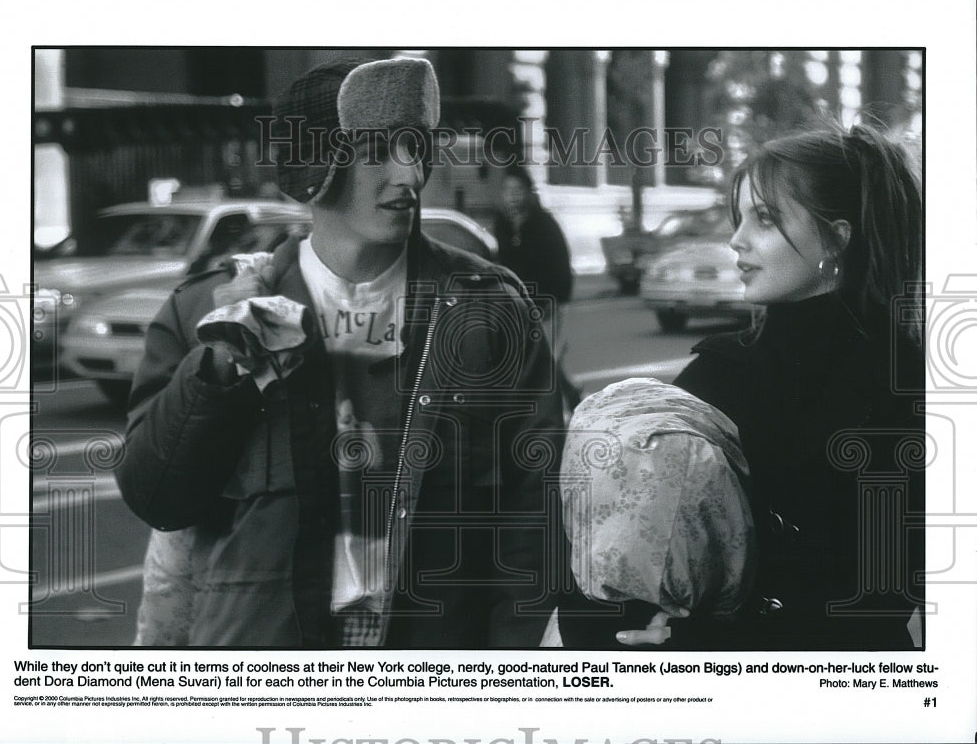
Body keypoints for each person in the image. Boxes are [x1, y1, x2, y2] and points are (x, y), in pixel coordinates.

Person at [117, 57, 564, 648]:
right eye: (377, 151)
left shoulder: (491, 312)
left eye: (417, 146)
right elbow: (158, 497)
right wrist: (218, 367)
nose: (410, 175)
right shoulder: (206, 311)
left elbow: (532, 521)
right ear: (312, 168)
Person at [559, 123, 925, 650]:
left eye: (766, 219)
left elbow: (883, 595)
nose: (736, 239)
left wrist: (710, 641)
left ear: (837, 237)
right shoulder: (719, 371)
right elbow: (619, 556)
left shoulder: (907, 387)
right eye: (740, 217)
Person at [493, 165, 579, 407]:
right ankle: (570, 395)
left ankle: (549, 415)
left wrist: (553, 300)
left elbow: (560, 265)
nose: (513, 196)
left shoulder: (544, 224)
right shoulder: (502, 225)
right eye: (508, 190)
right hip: (517, 306)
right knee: (537, 361)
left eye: (518, 190)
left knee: (544, 360)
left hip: (546, 304)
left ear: (529, 193)